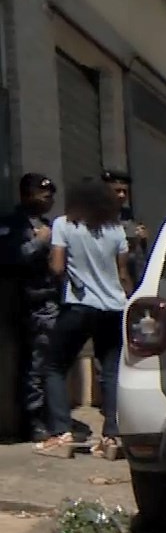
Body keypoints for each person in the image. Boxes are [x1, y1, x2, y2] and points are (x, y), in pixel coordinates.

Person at [35, 178, 129, 458]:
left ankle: (62, 433)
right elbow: (123, 274)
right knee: (111, 371)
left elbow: (57, 266)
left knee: (54, 366)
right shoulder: (116, 230)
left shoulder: (65, 224)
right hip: (114, 308)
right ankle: (112, 435)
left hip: (78, 306)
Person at [0, 174, 58, 440]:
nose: (48, 200)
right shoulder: (12, 225)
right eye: (42, 194)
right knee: (34, 365)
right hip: (26, 304)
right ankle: (33, 420)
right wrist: (40, 242)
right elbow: (11, 258)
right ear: (26, 195)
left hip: (45, 302)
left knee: (43, 363)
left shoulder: (46, 224)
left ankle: (41, 416)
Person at [100, 169, 149, 286]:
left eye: (125, 191)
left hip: (132, 277)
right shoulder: (97, 216)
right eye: (117, 191)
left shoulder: (130, 215)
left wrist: (143, 240)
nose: (122, 195)